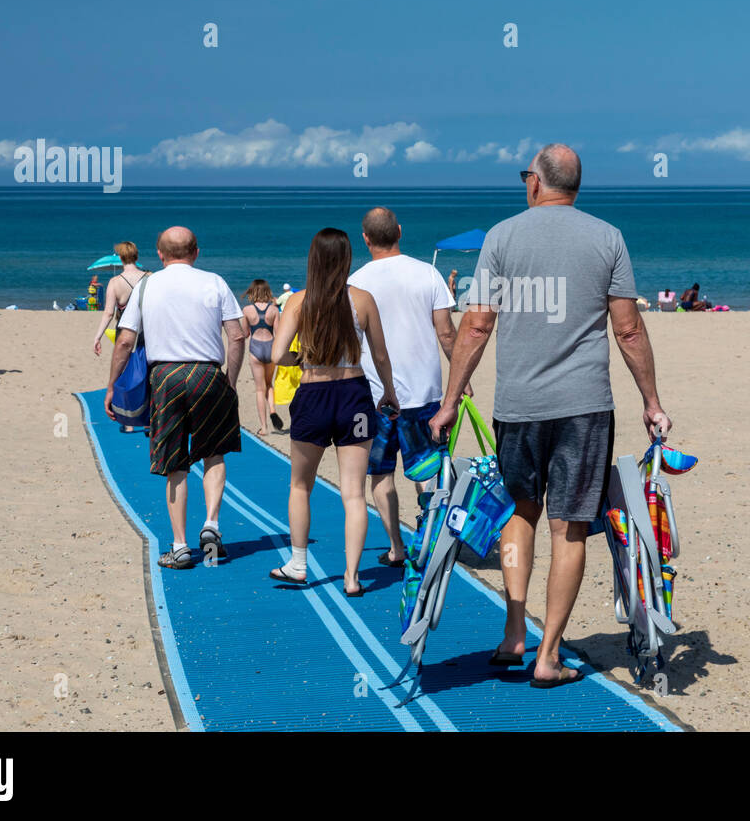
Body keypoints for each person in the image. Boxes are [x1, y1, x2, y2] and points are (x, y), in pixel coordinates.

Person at [429, 143, 672, 689]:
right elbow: (628, 329)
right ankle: (549, 653)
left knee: (521, 512)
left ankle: (515, 632)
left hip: (519, 405)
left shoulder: (501, 237)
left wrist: (451, 401)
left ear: (536, 183)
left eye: (524, 177)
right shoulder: (607, 237)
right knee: (571, 527)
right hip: (585, 406)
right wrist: (651, 400)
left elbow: (476, 326)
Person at [269, 228, 400, 597]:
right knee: (354, 492)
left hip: (313, 393)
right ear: (346, 258)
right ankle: (353, 576)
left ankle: (297, 564)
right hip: (353, 395)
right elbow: (380, 355)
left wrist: (302, 358)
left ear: (314, 258)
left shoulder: (298, 301)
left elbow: (277, 355)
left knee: (300, 485)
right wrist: (389, 392)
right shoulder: (363, 299)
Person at [106, 226, 246, 570]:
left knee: (174, 462)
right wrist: (229, 380)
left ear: (160, 253)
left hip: (166, 377)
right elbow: (237, 336)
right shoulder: (215, 282)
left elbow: (125, 341)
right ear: (196, 252)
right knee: (213, 453)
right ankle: (211, 525)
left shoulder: (147, 286)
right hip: (208, 373)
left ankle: (180, 546)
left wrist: (112, 385)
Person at [348, 207, 462, 568]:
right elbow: (446, 333)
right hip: (424, 391)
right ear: (399, 231)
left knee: (380, 473)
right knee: (427, 468)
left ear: (365, 238)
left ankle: (397, 547)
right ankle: (430, 537)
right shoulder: (427, 273)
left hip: (374, 395)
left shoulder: (355, 281)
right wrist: (464, 378)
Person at [241, 279, 282, 435]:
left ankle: (264, 428)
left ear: (252, 292)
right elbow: (278, 334)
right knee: (269, 384)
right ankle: (272, 409)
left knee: (259, 389)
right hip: (270, 348)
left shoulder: (247, 310)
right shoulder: (273, 310)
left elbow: (245, 334)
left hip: (256, 349)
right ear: (267, 292)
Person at [93, 242, 146, 356]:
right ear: (136, 256)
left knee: (123, 369)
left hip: (124, 333)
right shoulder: (150, 277)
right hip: (145, 333)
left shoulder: (114, 282)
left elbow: (108, 314)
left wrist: (98, 337)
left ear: (121, 258)